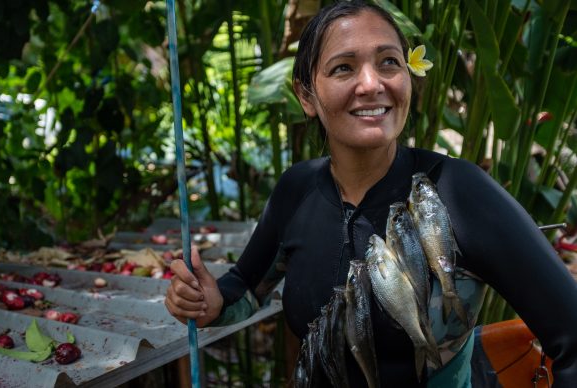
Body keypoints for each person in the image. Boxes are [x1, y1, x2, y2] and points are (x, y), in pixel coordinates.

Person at [164, 1, 577, 386]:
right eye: (343, 68)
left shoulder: (457, 191)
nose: (371, 83)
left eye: (389, 63)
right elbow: (245, 288)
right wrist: (212, 303)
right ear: (306, 95)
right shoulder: (297, 190)